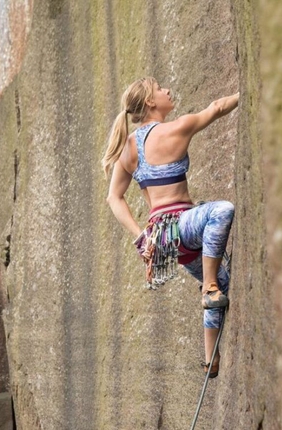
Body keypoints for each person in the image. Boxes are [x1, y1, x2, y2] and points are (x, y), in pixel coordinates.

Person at [102, 77, 239, 378]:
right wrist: (248, 92)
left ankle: (209, 360)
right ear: (151, 102)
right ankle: (210, 286)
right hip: (181, 226)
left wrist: (141, 239)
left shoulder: (128, 148)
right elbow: (217, 107)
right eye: (160, 88)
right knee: (221, 211)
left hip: (164, 243)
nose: (167, 90)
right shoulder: (175, 128)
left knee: (225, 284)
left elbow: (114, 197)